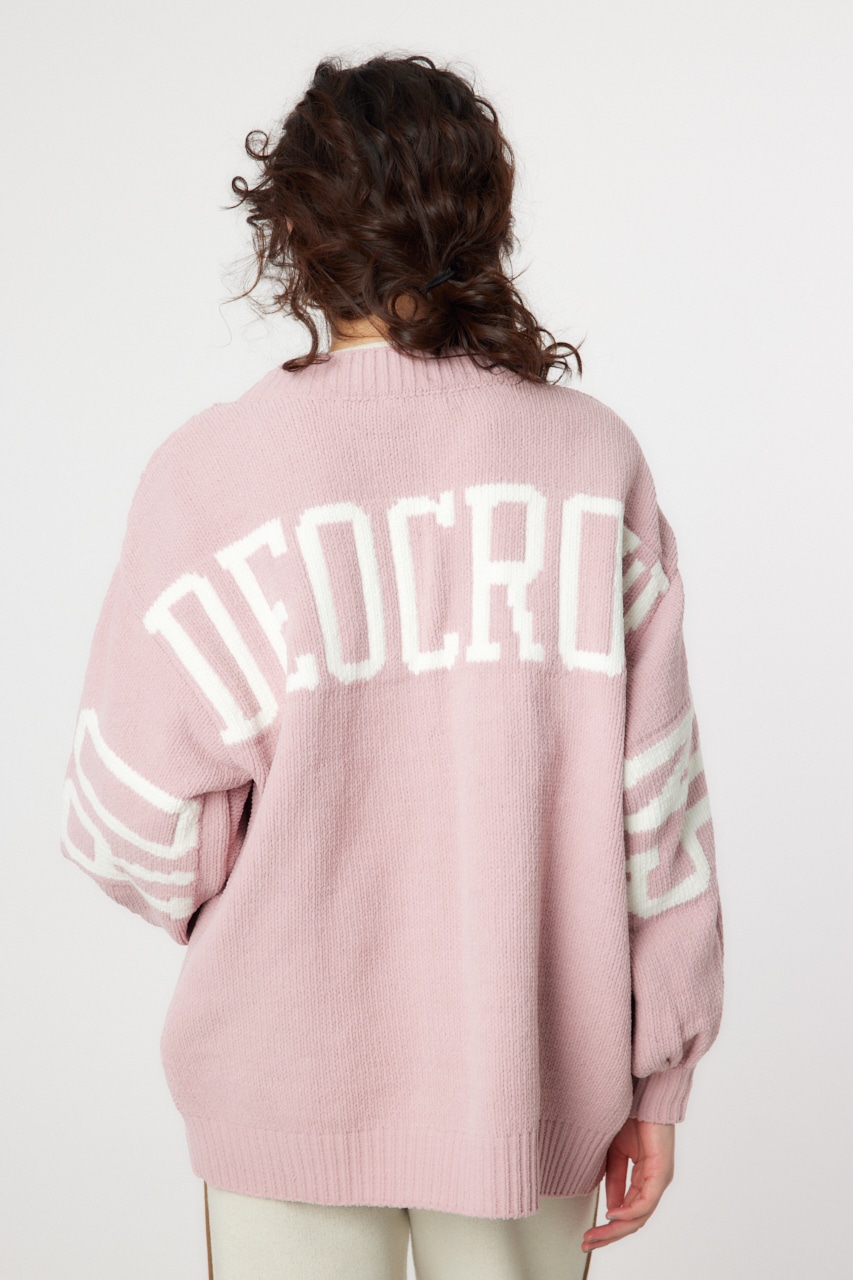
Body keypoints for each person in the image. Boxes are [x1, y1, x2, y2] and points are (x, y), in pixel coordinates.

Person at [59, 53, 724, 1280]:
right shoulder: (591, 464)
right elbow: (659, 815)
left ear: (295, 233)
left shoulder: (214, 473)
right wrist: (660, 1077)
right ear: (480, 220)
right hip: (531, 1075)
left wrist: (268, 877)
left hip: (283, 1074)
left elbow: (128, 816)